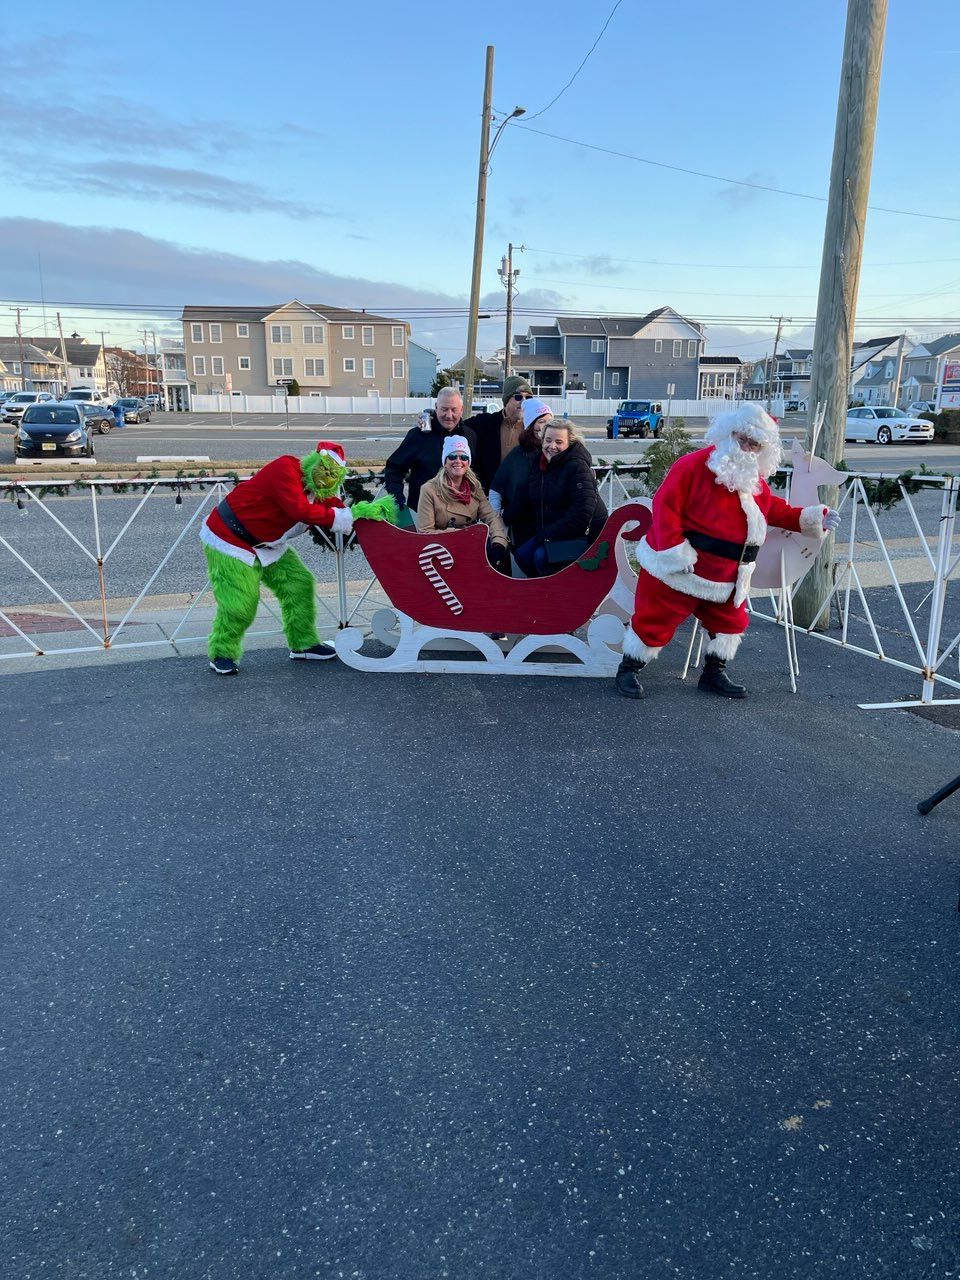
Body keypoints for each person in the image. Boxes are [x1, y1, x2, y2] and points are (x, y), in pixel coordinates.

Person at [614, 403, 841, 701]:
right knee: (654, 621)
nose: (746, 447)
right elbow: (665, 508)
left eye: (754, 443)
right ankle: (628, 669)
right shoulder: (692, 466)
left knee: (730, 625)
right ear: (728, 434)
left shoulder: (754, 481)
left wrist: (811, 518)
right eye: (742, 438)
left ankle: (713, 674)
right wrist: (675, 553)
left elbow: (774, 511)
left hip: (728, 575)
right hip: (683, 569)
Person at [200, 441, 395, 676]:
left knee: (299, 584)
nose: (327, 476)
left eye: (334, 474)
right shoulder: (285, 468)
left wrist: (362, 514)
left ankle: (303, 644)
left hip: (268, 544)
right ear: (314, 460)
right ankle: (222, 652)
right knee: (240, 604)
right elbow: (299, 510)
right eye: (324, 469)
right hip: (229, 537)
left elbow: (336, 508)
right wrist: (346, 515)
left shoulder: (320, 490)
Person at [510, 419, 608, 578]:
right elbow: (527, 497)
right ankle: (541, 592)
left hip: (582, 536)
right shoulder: (540, 464)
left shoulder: (577, 467)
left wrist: (548, 534)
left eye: (559, 442)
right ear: (542, 441)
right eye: (548, 440)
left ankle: (554, 596)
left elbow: (582, 512)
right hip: (551, 532)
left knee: (541, 558)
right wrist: (503, 516)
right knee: (522, 555)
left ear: (569, 443)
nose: (552, 446)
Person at [417, 435, 510, 571]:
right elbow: (425, 532)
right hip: (444, 549)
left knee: (500, 554)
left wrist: (498, 542)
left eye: (464, 457)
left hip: (471, 545)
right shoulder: (429, 490)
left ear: (469, 462)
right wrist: (461, 535)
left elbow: (492, 517)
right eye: (452, 456)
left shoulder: (475, 488)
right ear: (445, 462)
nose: (458, 461)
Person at [383, 388, 477, 520]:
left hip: (460, 518)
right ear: (436, 408)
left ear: (461, 410)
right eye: (444, 409)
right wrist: (398, 501)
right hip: (422, 515)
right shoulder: (418, 435)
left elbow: (475, 474)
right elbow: (394, 468)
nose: (449, 415)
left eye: (454, 410)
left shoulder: (469, 435)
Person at [489, 396, 550, 550]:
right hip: (523, 527)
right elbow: (496, 489)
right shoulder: (518, 455)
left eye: (550, 421)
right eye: (541, 421)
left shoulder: (555, 452)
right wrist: (496, 522)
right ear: (530, 426)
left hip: (551, 526)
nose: (546, 426)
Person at [461, 374, 534, 494]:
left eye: (528, 397)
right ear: (506, 400)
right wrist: (430, 419)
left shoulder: (533, 427)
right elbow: (453, 425)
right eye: (518, 397)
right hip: (489, 495)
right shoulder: (485, 423)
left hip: (521, 498)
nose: (524, 402)